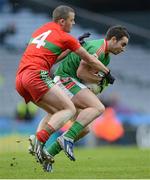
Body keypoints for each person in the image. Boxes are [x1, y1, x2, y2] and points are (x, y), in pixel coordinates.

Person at [15, 5, 112, 166]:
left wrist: (70, 47)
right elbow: (89, 59)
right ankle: (41, 140)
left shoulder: (41, 30)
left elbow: (52, 58)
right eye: (72, 20)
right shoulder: (65, 37)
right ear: (62, 21)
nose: (73, 24)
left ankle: (37, 143)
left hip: (20, 78)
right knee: (69, 109)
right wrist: (106, 72)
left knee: (56, 112)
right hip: (36, 75)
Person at [29, 25, 130, 172]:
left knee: (84, 129)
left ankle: (48, 154)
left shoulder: (106, 58)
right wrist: (100, 81)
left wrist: (97, 83)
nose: (123, 49)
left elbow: (86, 77)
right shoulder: (98, 48)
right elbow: (81, 72)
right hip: (65, 79)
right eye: (123, 44)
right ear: (113, 39)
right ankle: (64, 138)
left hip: (72, 82)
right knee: (98, 107)